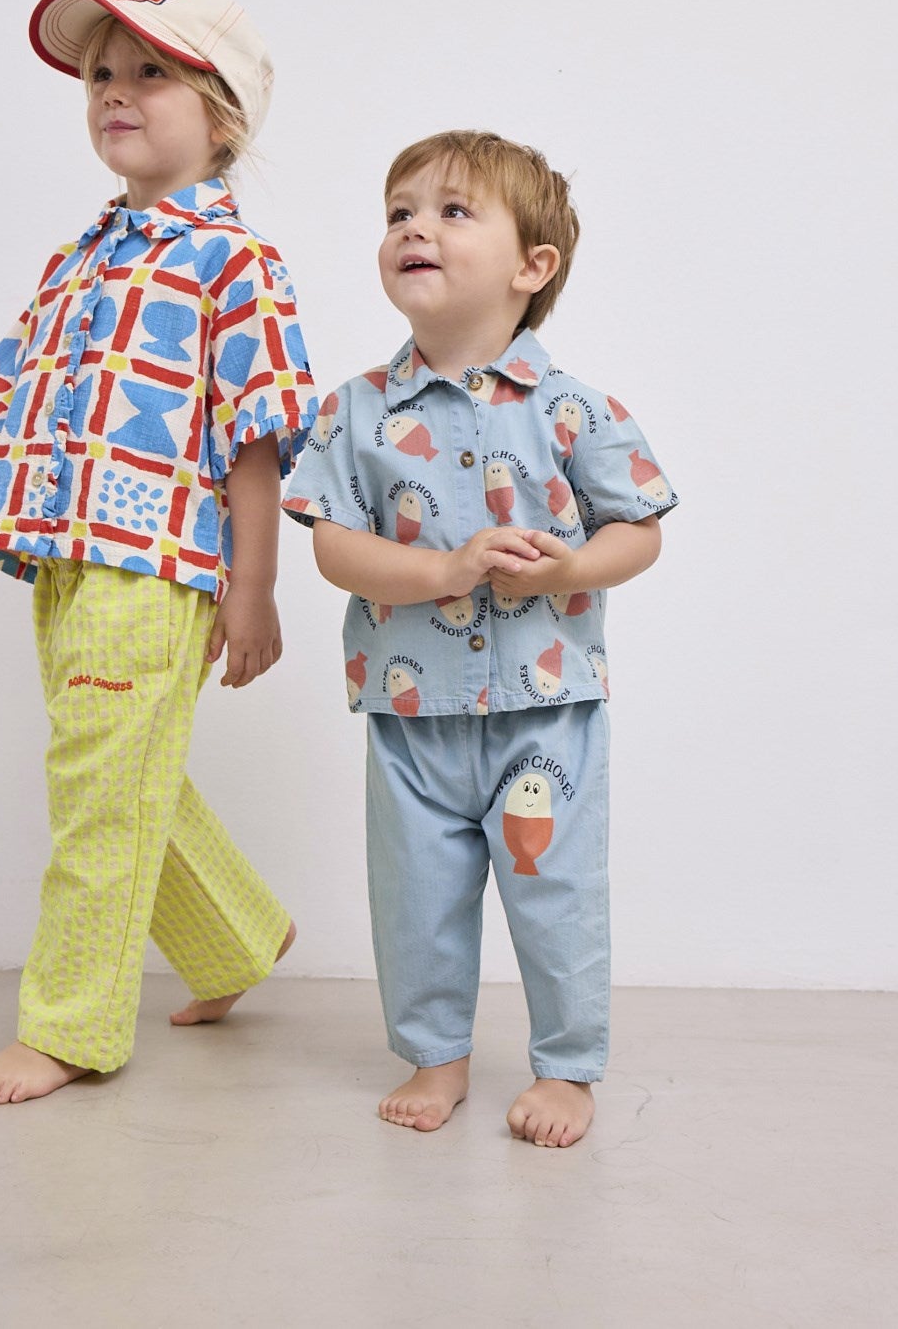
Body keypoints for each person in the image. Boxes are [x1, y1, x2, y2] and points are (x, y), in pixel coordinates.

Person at [0, 0, 317, 1103]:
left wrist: (254, 588)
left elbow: (255, 439)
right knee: (119, 765)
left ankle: (69, 1027)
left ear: (223, 116)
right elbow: (22, 398)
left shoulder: (235, 265)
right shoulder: (75, 258)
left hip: (155, 562)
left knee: (97, 783)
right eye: (100, 75)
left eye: (150, 74)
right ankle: (238, 933)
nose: (114, 94)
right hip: (57, 552)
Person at [282, 130, 677, 1146]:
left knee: (557, 894)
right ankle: (435, 1054)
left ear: (531, 266)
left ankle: (568, 1069)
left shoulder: (574, 407)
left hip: (548, 708)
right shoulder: (354, 412)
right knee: (416, 896)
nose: (414, 227)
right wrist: (445, 572)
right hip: (411, 712)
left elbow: (638, 530)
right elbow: (333, 547)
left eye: (453, 211)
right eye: (399, 212)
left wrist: (571, 569)